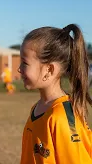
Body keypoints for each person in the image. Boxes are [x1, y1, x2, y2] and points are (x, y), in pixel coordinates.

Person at [19, 24, 92, 163]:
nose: (19, 69)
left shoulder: (61, 117)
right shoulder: (37, 108)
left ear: (49, 69)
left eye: (24, 63)